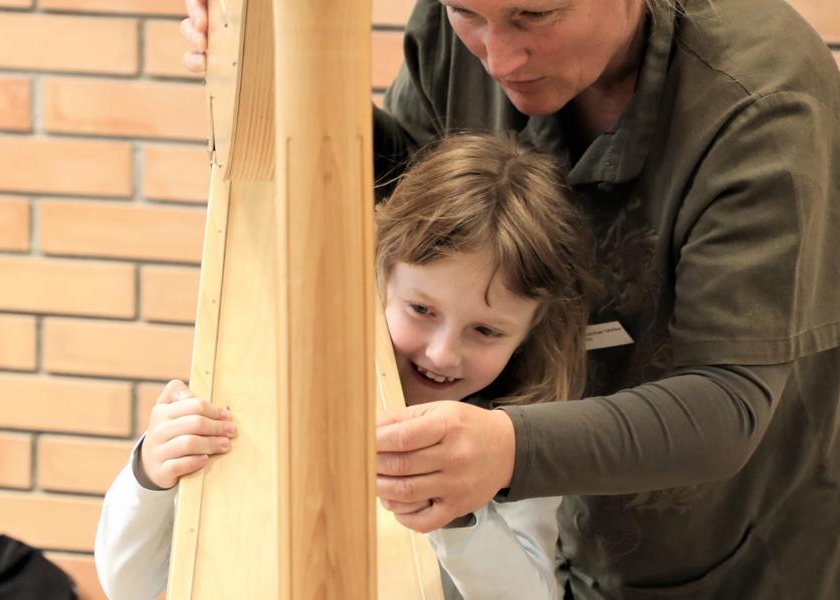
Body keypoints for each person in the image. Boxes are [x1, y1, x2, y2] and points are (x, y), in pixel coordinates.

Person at [180, 0, 840, 598]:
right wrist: (273, 87)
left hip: (763, 540)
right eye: (470, 14)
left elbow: (728, 403)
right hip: (572, 535)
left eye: (536, 15)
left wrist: (506, 448)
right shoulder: (452, 24)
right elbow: (416, 192)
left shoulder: (763, 97)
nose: (498, 58)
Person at [95, 133, 598, 600]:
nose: (443, 354)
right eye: (422, 311)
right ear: (379, 274)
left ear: (530, 333)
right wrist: (150, 474)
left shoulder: (514, 428)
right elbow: (129, 584)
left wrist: (458, 513)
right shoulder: (267, 392)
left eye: (486, 331)